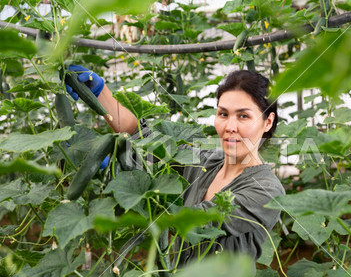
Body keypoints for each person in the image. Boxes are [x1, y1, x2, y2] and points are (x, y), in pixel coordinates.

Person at [65, 65, 285, 266]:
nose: (230, 126)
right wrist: (99, 93)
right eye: (223, 114)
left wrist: (124, 169)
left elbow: (195, 221)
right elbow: (143, 138)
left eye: (243, 116)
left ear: (267, 122)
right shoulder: (204, 163)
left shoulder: (268, 190)